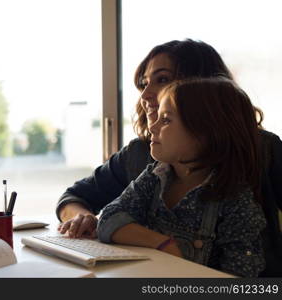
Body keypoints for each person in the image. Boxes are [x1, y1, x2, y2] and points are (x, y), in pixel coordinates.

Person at [56, 39, 282, 276]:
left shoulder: (263, 149)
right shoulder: (145, 156)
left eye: (162, 79)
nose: (145, 94)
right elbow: (75, 196)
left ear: (204, 90)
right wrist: (82, 218)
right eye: (144, 83)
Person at [97, 77, 265, 277]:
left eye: (166, 120)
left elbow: (241, 275)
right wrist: (162, 243)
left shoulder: (236, 202)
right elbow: (109, 219)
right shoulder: (155, 177)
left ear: (207, 132)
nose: (152, 127)